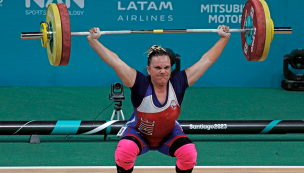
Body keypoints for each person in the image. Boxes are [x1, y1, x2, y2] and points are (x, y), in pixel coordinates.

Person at [87, 25, 230, 173]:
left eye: (167, 68)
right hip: (139, 133)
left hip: (168, 134)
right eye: (157, 68)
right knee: (125, 150)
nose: (163, 72)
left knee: (188, 153)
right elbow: (115, 62)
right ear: (148, 69)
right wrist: (94, 41)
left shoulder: (178, 83)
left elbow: (206, 61)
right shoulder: (139, 84)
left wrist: (223, 39)